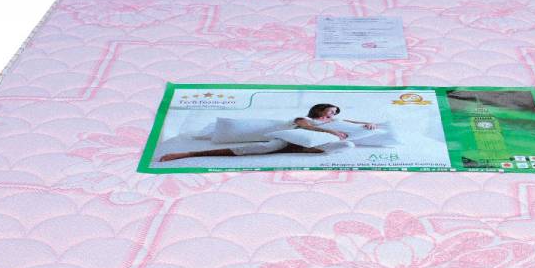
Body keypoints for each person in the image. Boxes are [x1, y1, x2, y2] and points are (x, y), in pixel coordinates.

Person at [158, 103, 377, 161]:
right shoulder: (306, 119)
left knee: (348, 145)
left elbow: (349, 121)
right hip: (289, 138)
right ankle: (187, 154)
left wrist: (367, 123)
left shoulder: (334, 122)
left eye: (335, 113)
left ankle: (302, 149)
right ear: (320, 110)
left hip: (313, 142)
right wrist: (332, 131)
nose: (333, 114)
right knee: (262, 148)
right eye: (331, 111)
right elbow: (304, 127)